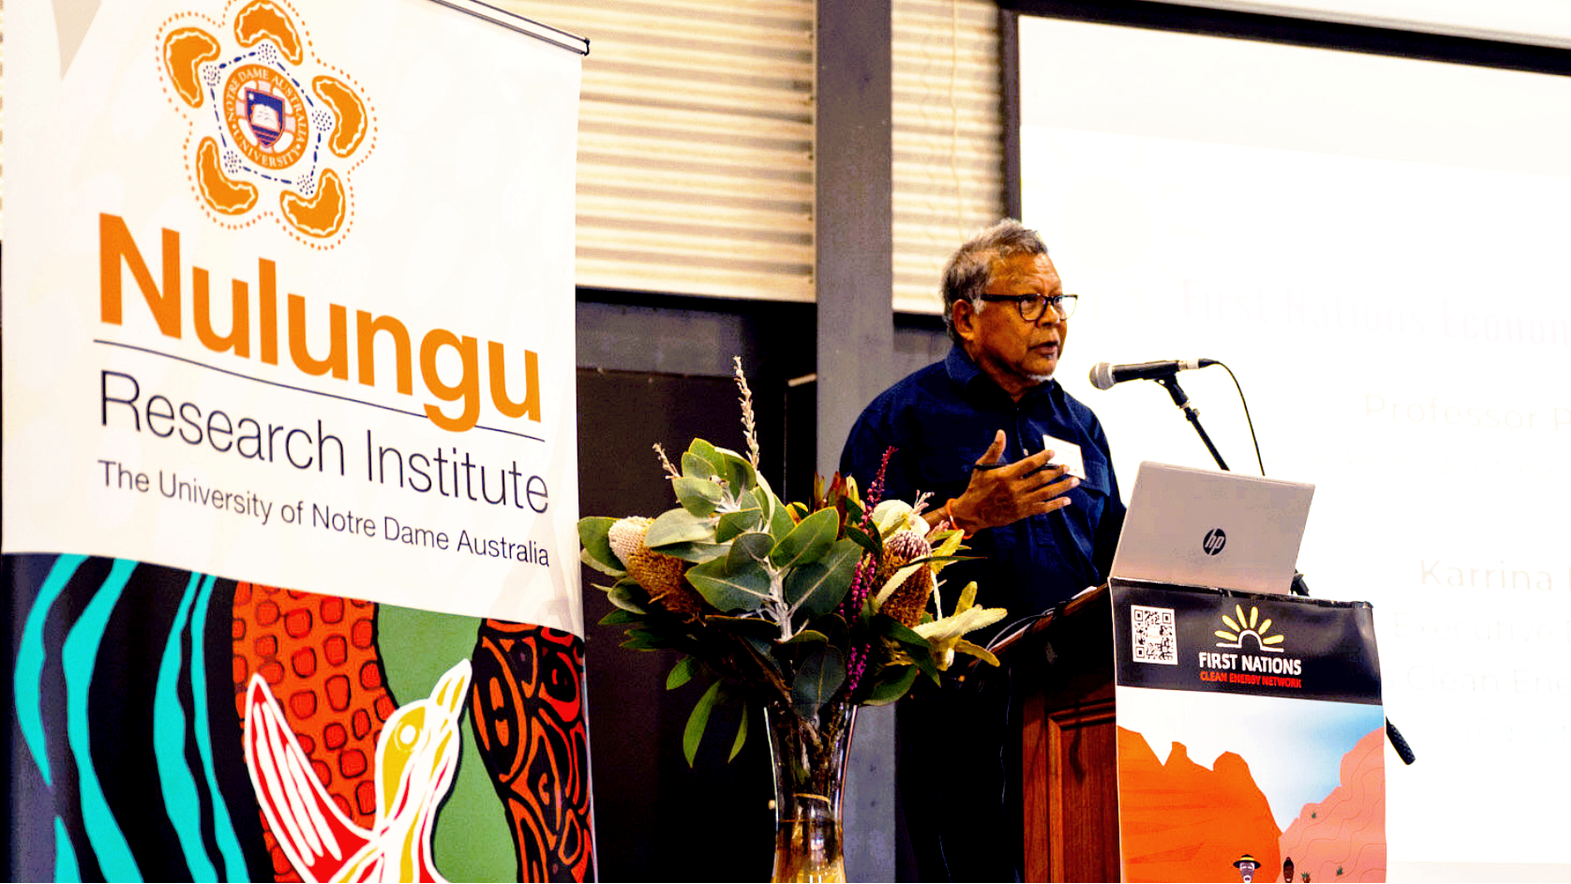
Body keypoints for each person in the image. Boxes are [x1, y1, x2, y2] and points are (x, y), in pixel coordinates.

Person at [838, 219, 1127, 882]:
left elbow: (1109, 555)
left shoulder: (1079, 424)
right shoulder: (901, 419)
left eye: (1058, 302)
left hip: (1075, 707)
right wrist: (962, 518)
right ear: (966, 318)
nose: (1052, 319)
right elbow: (850, 571)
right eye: (1029, 302)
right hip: (960, 712)